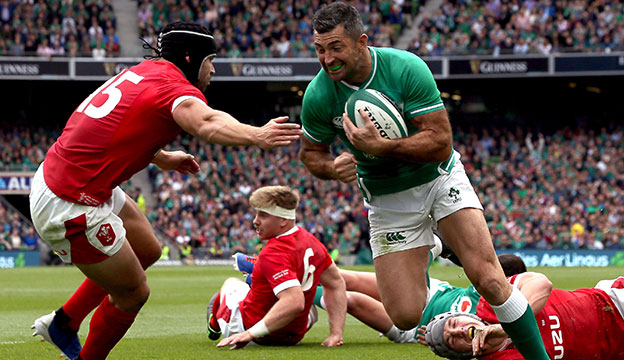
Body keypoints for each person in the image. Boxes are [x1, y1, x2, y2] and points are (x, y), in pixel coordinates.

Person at [29, 21, 302, 360]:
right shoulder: (174, 88)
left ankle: (64, 322)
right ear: (191, 58)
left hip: (70, 176)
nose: (213, 68)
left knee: (148, 250)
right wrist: (257, 135)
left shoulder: (144, 73)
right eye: (210, 59)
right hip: (71, 199)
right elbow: (206, 122)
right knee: (133, 293)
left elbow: (114, 127)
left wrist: (161, 158)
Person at [298, 3, 548, 359]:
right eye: (320, 49)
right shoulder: (319, 95)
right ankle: (434, 243)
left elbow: (439, 142)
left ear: (361, 42)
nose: (327, 59)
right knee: (404, 315)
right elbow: (311, 154)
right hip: (387, 199)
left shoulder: (405, 68)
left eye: (336, 47)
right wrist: (331, 168)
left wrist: (382, 147)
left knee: (489, 278)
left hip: (439, 178)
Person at [230, 235, 528, 344]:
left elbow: (479, 342)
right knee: (348, 278)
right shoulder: (485, 290)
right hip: (435, 290)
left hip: (414, 324)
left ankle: (277, 285)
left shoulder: (501, 315)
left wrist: (438, 341)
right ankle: (265, 269)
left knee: (349, 299)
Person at [209, 186, 346, 349]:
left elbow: (294, 302)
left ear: (283, 220)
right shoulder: (313, 242)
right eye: (256, 213)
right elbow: (337, 283)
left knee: (230, 284)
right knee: (309, 307)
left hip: (258, 331)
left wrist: (250, 334)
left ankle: (213, 326)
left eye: (263, 215)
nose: (255, 220)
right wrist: (336, 333)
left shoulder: (273, 252)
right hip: (294, 335)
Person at [420, 273, 624, 359]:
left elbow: (541, 284)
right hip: (623, 353)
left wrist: (508, 327)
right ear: (461, 355)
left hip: (618, 304)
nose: (459, 330)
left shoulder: (491, 301)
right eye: (452, 339)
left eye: (454, 323)